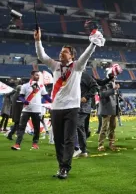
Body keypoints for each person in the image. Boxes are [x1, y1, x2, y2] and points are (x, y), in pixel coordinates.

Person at [34, 28, 98, 179]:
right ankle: (60, 165)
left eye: (65, 52)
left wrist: (93, 43)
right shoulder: (54, 66)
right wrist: (38, 40)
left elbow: (86, 55)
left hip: (72, 108)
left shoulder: (77, 66)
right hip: (56, 108)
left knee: (68, 139)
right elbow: (41, 56)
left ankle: (65, 168)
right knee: (58, 140)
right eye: (61, 51)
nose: (61, 53)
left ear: (72, 56)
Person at [11, 71, 52, 150]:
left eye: (39, 75)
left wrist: (52, 100)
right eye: (36, 75)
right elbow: (20, 96)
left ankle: (35, 144)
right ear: (32, 75)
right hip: (26, 110)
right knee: (21, 127)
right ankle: (17, 144)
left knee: (36, 128)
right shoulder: (25, 86)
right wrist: (24, 101)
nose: (38, 76)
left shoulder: (41, 86)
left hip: (37, 110)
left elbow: (46, 96)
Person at [97, 79, 120, 151]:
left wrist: (118, 108)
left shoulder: (114, 84)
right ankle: (100, 145)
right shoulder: (103, 85)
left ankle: (111, 143)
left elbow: (116, 98)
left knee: (112, 127)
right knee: (104, 127)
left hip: (113, 109)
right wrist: (114, 89)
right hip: (106, 109)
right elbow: (102, 94)